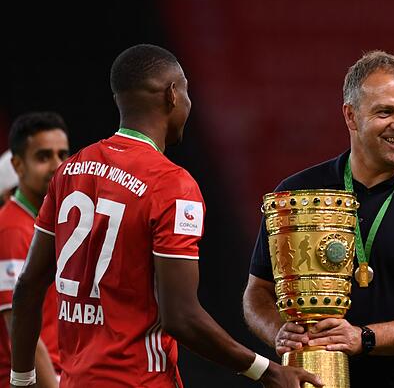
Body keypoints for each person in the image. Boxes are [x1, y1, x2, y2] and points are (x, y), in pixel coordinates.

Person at [10, 44, 320, 388]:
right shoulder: (171, 184)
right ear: (173, 94)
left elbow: (28, 286)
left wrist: (21, 380)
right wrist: (266, 370)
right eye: (186, 91)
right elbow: (181, 317)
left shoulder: (71, 170)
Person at [243, 50, 394, 387]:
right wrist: (279, 331)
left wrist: (363, 337)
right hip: (313, 381)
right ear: (351, 116)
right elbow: (257, 294)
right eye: (385, 112)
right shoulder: (296, 194)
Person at [1, 113, 69, 388]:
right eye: (43, 157)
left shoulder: (45, 225)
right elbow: (20, 326)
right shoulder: (11, 230)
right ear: (18, 165)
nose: (57, 166)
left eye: (63, 155)